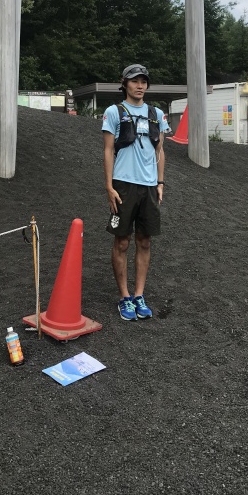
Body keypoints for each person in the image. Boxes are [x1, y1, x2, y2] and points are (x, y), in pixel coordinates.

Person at [102, 64, 169, 321]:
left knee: (145, 241)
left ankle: (139, 295)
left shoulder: (157, 114)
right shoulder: (114, 112)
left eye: (143, 81)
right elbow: (108, 150)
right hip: (123, 185)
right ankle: (124, 297)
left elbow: (160, 151)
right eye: (134, 81)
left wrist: (160, 183)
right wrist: (109, 186)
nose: (140, 86)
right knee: (122, 241)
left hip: (149, 186)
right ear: (125, 84)